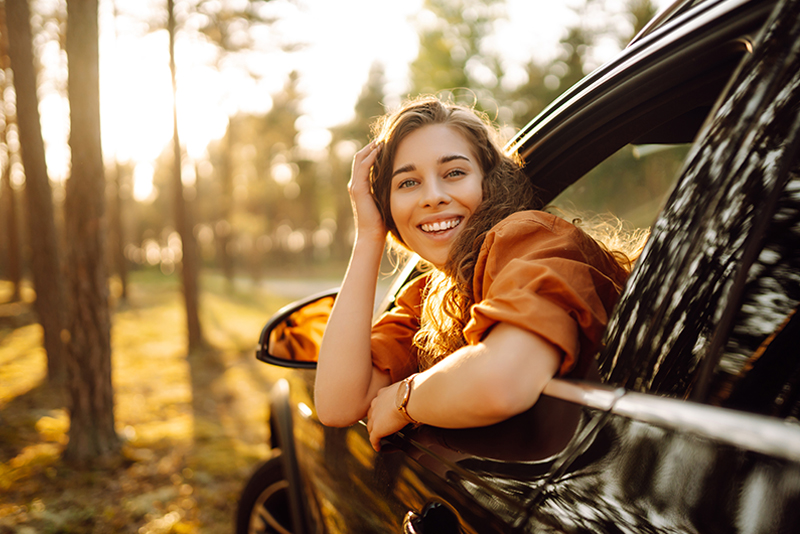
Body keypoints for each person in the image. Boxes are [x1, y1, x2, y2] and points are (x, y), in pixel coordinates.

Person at [315, 95, 637, 451]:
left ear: (489, 182)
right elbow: (337, 405)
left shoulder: (528, 236)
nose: (433, 196)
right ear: (387, 208)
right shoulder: (427, 299)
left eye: (454, 173)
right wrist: (368, 236)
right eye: (407, 182)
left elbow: (504, 382)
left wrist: (403, 399)